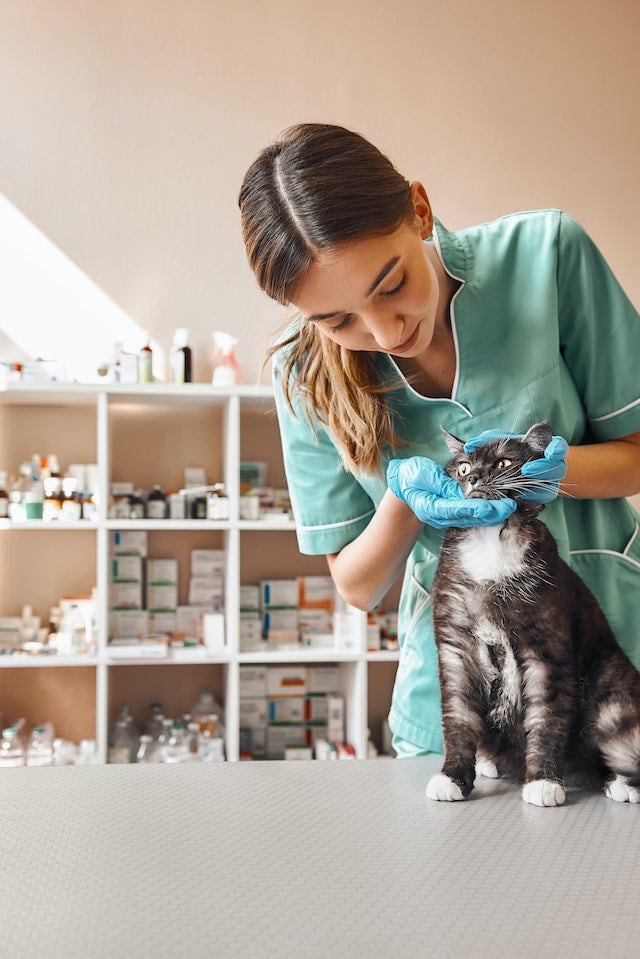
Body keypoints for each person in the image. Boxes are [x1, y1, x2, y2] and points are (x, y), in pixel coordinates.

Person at [238, 122, 640, 757]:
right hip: (457, 701)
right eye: (338, 320)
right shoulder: (301, 372)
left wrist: (545, 473)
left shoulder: (546, 256)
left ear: (419, 210)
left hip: (611, 666)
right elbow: (357, 585)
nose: (385, 330)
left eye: (391, 285)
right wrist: (404, 502)